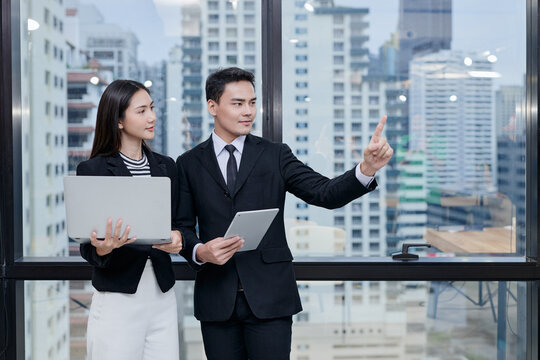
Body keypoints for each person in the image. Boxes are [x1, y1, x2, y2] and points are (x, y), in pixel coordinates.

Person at [175, 67, 393, 360]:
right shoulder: (188, 163)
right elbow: (182, 228)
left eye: (252, 103)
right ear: (212, 106)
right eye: (238, 103)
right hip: (216, 300)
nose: (248, 112)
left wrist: (366, 170)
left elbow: (324, 193)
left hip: (270, 298)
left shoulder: (275, 154)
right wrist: (201, 251)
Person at [77, 79, 183, 360]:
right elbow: (87, 245)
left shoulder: (167, 166)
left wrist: (178, 238)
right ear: (119, 120)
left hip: (162, 294)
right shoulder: (93, 170)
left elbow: (181, 223)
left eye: (152, 108)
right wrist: (104, 247)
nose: (152, 117)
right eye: (141, 111)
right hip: (117, 296)